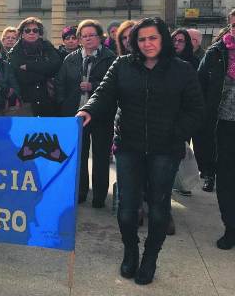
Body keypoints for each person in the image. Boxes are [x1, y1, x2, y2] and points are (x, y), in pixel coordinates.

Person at [77, 17, 204, 285]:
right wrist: (87, 109)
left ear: (163, 40)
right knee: (126, 210)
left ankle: (150, 259)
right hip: (128, 146)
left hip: (165, 150)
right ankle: (131, 251)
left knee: (159, 210)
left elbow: (196, 109)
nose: (147, 44)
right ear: (135, 42)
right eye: (142, 39)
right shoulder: (122, 65)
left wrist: (176, 134)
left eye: (153, 38)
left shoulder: (181, 70)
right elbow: (103, 93)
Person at [55, 20, 115, 207]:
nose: (88, 39)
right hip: (75, 115)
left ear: (100, 37)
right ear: (80, 39)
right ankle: (80, 192)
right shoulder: (70, 59)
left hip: (101, 115)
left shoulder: (110, 58)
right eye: (84, 36)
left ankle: (99, 196)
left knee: (100, 156)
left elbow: (114, 87)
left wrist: (93, 86)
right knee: (79, 156)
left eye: (92, 35)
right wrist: (65, 106)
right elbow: (60, 84)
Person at [198, 21, 235, 249]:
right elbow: (199, 84)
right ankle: (230, 227)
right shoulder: (217, 52)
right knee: (227, 178)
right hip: (222, 125)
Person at [8, 17, 62, 116]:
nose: (31, 33)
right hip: (26, 102)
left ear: (39, 33)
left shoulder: (47, 47)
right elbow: (21, 77)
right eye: (27, 30)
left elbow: (55, 66)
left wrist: (29, 66)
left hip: (47, 100)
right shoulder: (15, 52)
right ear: (22, 34)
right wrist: (45, 72)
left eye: (35, 30)